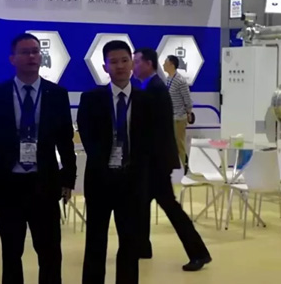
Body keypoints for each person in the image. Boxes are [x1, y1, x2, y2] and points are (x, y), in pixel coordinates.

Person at [0, 33, 76, 284]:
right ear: (12, 58)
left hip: (44, 183)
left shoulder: (56, 94)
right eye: (25, 52)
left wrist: (68, 178)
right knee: (11, 252)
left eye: (36, 51)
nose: (32, 56)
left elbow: (65, 140)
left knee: (49, 252)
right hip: (9, 185)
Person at [77, 40, 150, 284]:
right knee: (95, 242)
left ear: (132, 64)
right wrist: (106, 166)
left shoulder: (146, 100)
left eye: (124, 60)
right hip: (100, 180)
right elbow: (87, 136)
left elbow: (151, 140)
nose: (119, 66)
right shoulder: (91, 99)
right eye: (113, 62)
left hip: (132, 182)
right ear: (105, 67)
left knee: (130, 243)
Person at [133, 48, 212, 272]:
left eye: (136, 62)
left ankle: (199, 253)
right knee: (141, 205)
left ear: (149, 64)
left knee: (171, 208)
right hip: (153, 162)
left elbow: (153, 130)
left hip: (156, 163)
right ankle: (142, 246)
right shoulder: (152, 86)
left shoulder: (155, 89)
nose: (133, 67)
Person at [163, 55, 194, 170]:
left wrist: (189, 112)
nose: (163, 65)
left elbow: (187, 99)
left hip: (179, 118)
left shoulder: (180, 81)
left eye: (165, 63)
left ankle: (185, 167)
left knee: (179, 144)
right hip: (170, 117)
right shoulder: (168, 79)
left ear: (172, 65)